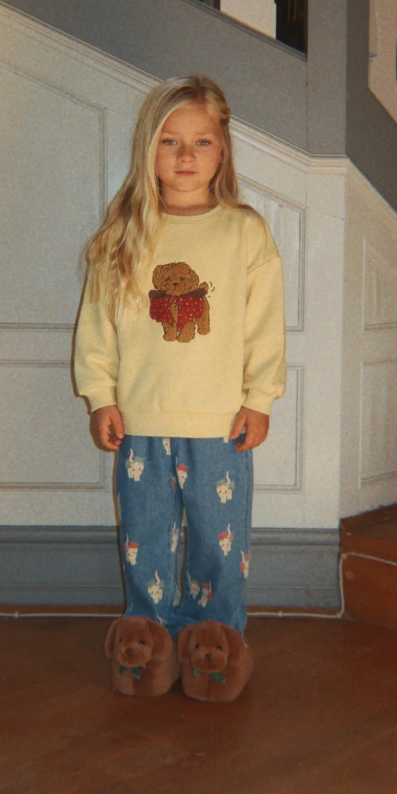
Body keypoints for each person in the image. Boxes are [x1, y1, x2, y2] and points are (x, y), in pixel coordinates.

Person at [73, 75, 286, 688]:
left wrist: (260, 399)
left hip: (221, 425)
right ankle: (149, 642)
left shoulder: (245, 232)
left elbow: (264, 327)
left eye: (201, 142)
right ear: (149, 150)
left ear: (222, 150)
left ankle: (215, 642)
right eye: (170, 142)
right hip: (140, 422)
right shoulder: (124, 232)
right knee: (144, 540)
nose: (186, 156)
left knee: (219, 545)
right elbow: (98, 325)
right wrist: (101, 396)